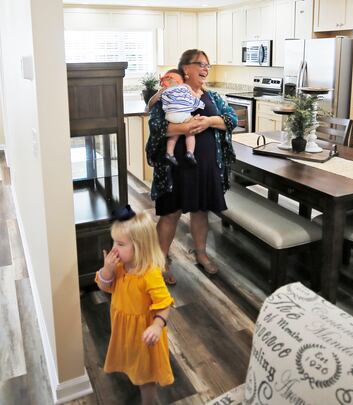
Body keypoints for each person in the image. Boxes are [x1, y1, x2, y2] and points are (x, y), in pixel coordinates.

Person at [146, 49, 237, 285]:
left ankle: (201, 253)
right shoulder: (170, 94)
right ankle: (160, 260)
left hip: (205, 165)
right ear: (186, 68)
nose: (206, 69)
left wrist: (208, 121)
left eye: (208, 65)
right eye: (201, 64)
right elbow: (157, 127)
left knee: (201, 211)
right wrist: (185, 129)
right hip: (174, 166)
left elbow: (231, 120)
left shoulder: (213, 96)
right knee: (170, 213)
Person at [96, 206, 174, 405]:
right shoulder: (119, 267)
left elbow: (165, 304)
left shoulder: (150, 274)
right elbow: (104, 287)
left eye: (120, 244)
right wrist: (107, 270)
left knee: (146, 377)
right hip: (125, 330)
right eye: (114, 241)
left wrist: (157, 326)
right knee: (132, 363)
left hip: (144, 334)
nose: (114, 249)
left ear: (139, 246)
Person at [160, 69, 205, 167]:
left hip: (170, 116)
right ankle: (190, 152)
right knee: (190, 132)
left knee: (174, 135)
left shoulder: (165, 90)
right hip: (183, 116)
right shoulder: (185, 87)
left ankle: (169, 153)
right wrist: (199, 94)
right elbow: (195, 97)